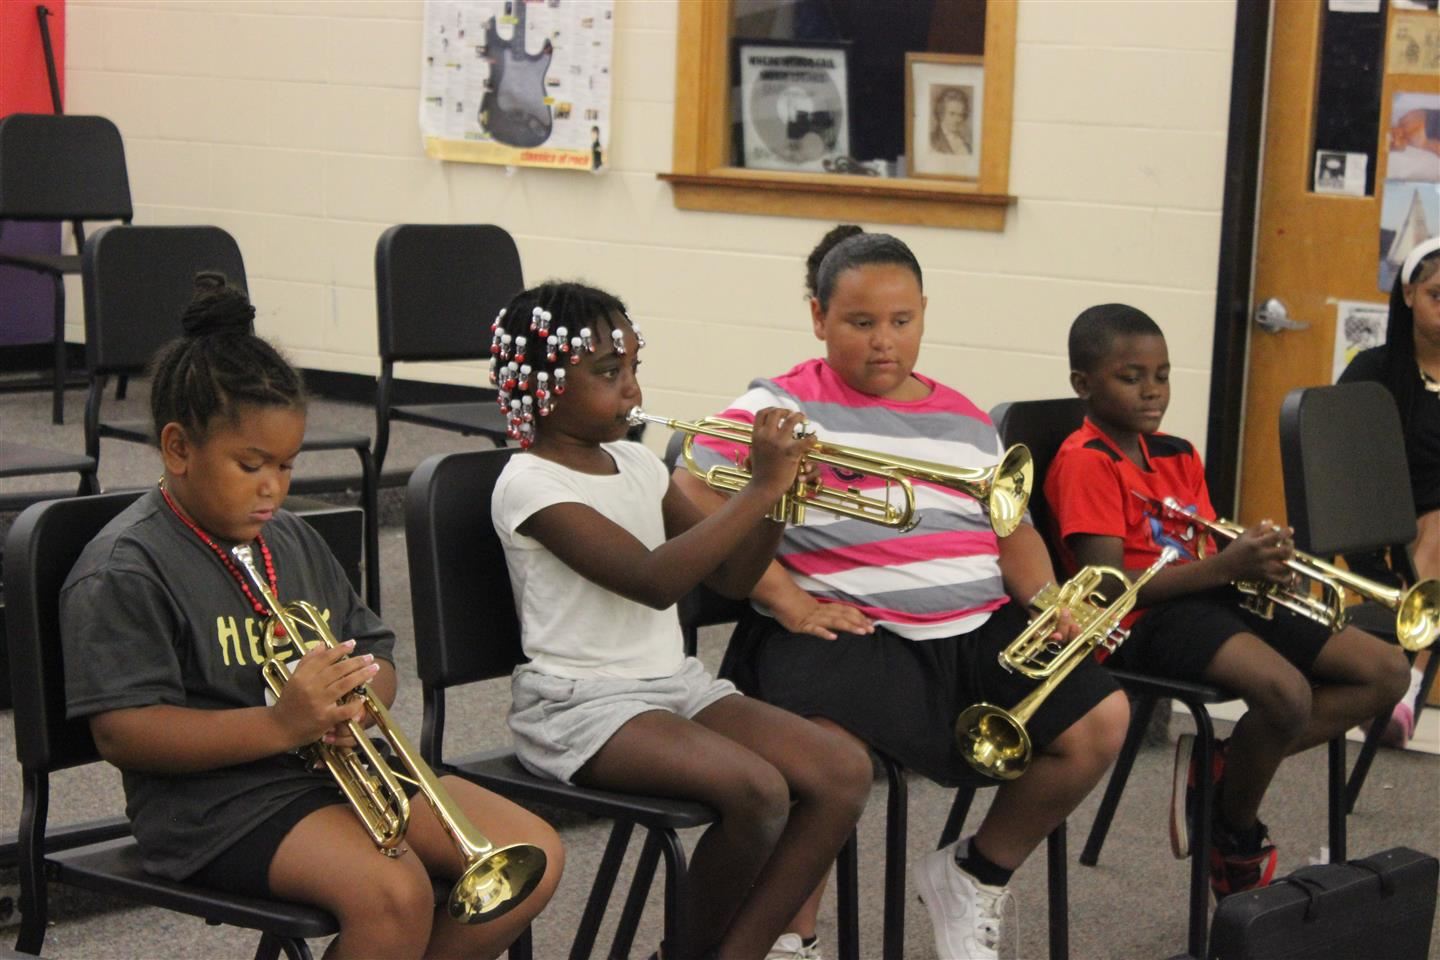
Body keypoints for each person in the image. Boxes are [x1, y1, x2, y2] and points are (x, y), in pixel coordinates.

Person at [60, 273, 563, 960]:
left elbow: (377, 651)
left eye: (288, 466)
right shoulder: (127, 566)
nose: (273, 487)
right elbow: (125, 733)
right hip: (214, 807)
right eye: (250, 464)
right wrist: (280, 724)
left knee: (528, 856)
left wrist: (361, 697)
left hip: (326, 770)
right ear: (178, 449)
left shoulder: (289, 539)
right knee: (394, 896)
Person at [676, 229, 1131, 960]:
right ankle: (793, 938)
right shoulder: (782, 404)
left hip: (975, 628)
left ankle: (975, 873)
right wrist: (783, 595)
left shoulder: (961, 416)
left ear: (923, 314)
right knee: (827, 756)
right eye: (860, 324)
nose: (884, 343)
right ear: (819, 317)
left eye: (901, 322)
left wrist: (1052, 603)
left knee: (1102, 717)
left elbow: (1010, 532)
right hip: (847, 627)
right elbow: (692, 488)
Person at [488, 281, 872, 960]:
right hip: (581, 706)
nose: (633, 392)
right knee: (756, 790)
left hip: (672, 686)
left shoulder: (636, 460)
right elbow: (653, 581)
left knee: (842, 769)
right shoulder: (529, 483)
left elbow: (729, 578)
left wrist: (781, 501)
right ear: (543, 386)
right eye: (609, 374)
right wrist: (757, 488)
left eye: (635, 368)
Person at [1045, 303, 1411, 899]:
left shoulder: (1176, 453)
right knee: (1285, 694)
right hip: (1141, 621)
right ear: (1084, 385)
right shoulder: (1085, 462)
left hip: (1206, 596)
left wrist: (1260, 560)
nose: (1151, 391)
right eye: (1130, 376)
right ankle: (1232, 833)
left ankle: (1221, 771)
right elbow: (1105, 588)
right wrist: (1225, 567)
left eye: (1161, 375)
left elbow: (1206, 539)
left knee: (1384, 670)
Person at [1339, 235, 1440, 744]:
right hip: (1385, 536)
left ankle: (1397, 688)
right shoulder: (1373, 371)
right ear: (1408, 295)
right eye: (1437, 295)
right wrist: (1374, 567)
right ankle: (1407, 685)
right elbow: (1338, 473)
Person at [929, 86, 973, 156]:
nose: (957, 120)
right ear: (941, 113)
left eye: (960, 115)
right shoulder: (931, 141)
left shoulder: (967, 147)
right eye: (952, 114)